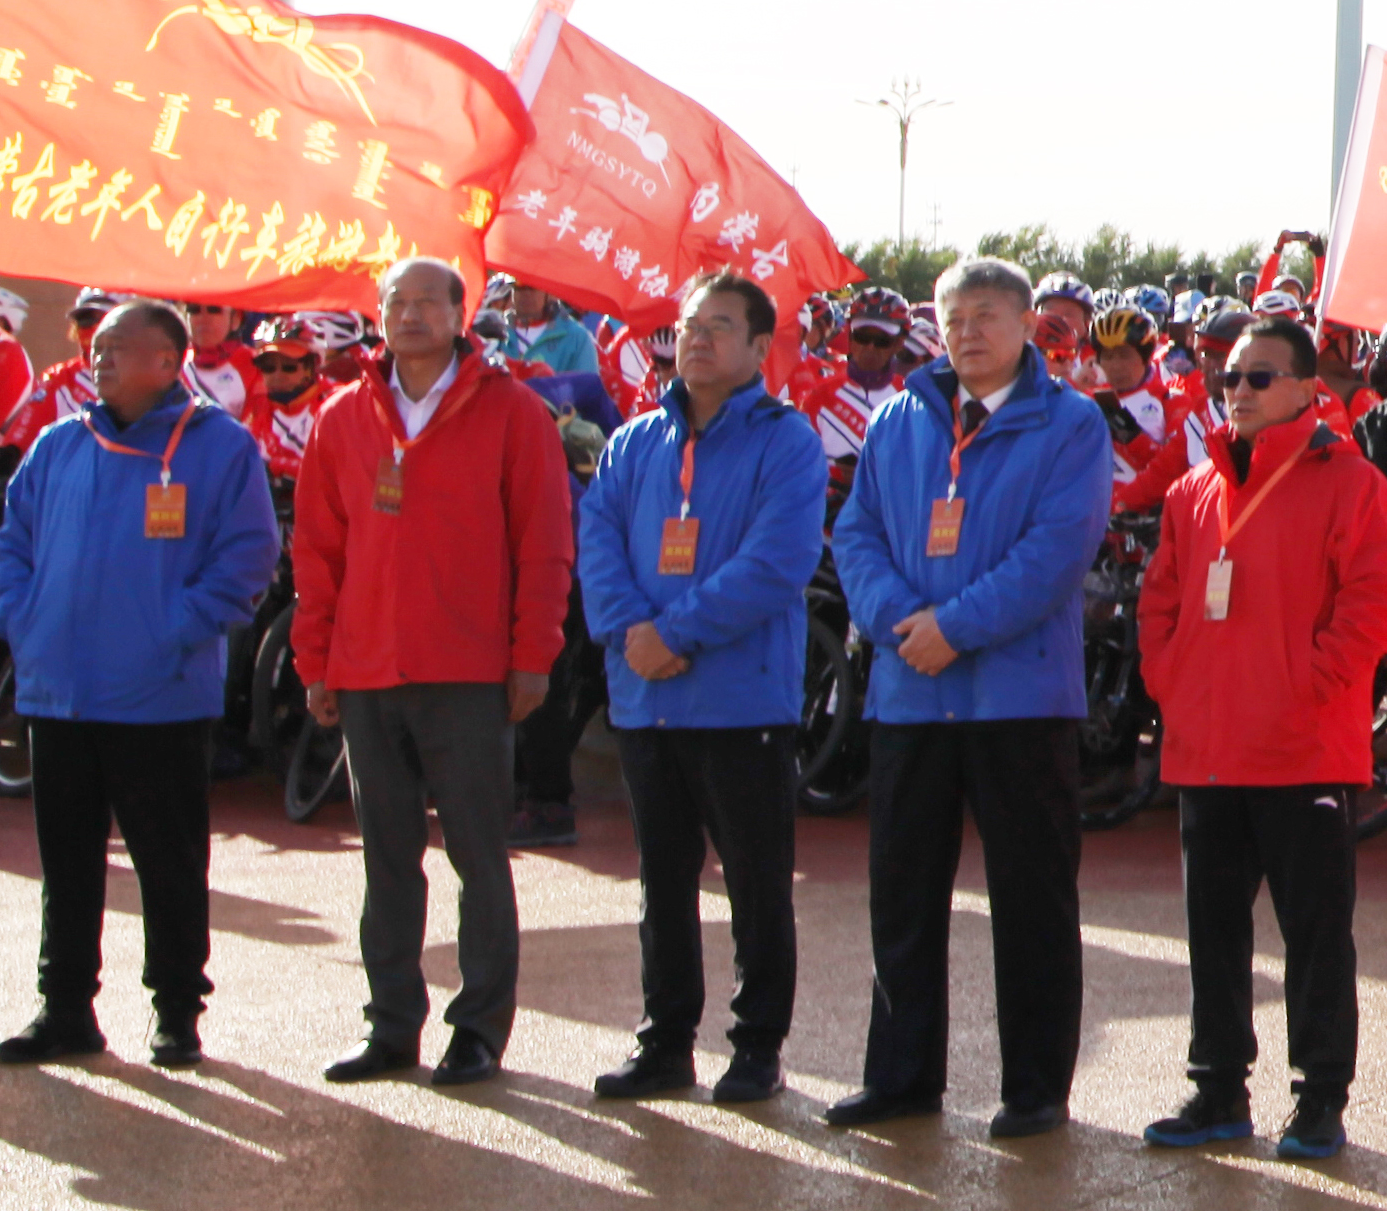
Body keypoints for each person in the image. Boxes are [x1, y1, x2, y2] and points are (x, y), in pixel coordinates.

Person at [822, 257, 1122, 1136]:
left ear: (1030, 325)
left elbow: (1056, 552)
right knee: (903, 894)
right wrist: (895, 619)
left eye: (988, 315)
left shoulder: (1069, 426)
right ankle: (902, 1077)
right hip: (911, 695)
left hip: (1018, 697)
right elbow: (857, 531)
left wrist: (953, 625)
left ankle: (1035, 1089)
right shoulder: (901, 420)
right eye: (954, 316)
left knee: (1031, 900)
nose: (968, 332)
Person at [288, 258, 580, 1089]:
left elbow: (546, 544)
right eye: (395, 302)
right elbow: (316, 550)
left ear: (463, 313)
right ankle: (390, 1026)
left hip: (469, 670)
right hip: (368, 668)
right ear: (378, 316)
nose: (410, 315)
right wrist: (316, 660)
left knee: (479, 857)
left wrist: (533, 655)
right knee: (386, 858)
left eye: (427, 301)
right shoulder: (342, 416)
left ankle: (479, 1029)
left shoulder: (513, 413)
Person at [1136, 313, 1387, 1162]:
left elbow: (1380, 603)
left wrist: (1308, 686)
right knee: (1213, 929)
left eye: (1260, 378)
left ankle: (1320, 1097)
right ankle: (1217, 1087)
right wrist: (1174, 686)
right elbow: (1161, 604)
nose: (1240, 392)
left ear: (1307, 389)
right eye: (1229, 378)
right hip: (1209, 748)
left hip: (1303, 751)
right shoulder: (1193, 492)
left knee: (1315, 935)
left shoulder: (1352, 483)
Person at [0, 298, 280, 1070]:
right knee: (69, 861)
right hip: (60, 689)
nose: (99, 357)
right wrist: (22, 619)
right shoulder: (58, 445)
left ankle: (176, 1010)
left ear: (166, 360)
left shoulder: (217, 447)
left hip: (159, 692)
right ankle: (64, 1008)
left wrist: (172, 630)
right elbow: (12, 544)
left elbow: (248, 557)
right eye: (96, 346)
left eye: (118, 346)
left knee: (168, 859)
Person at [574, 272, 834, 1107]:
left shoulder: (785, 442)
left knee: (756, 882)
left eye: (719, 327)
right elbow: (599, 542)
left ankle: (757, 1045)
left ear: (760, 348)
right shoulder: (633, 442)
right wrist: (631, 634)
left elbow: (777, 562)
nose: (697, 340)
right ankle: (665, 1040)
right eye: (689, 326)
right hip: (646, 697)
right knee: (662, 879)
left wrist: (672, 634)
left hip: (738, 698)